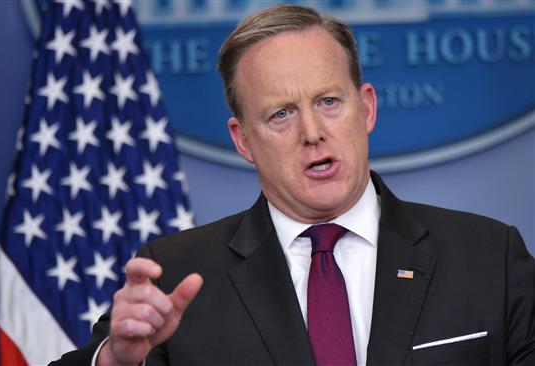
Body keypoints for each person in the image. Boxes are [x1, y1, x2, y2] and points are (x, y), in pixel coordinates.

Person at [51, 4, 535, 366]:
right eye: (281, 114)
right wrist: (115, 360)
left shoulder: (489, 257)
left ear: (366, 108)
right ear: (243, 141)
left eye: (328, 101)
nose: (312, 132)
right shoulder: (177, 275)